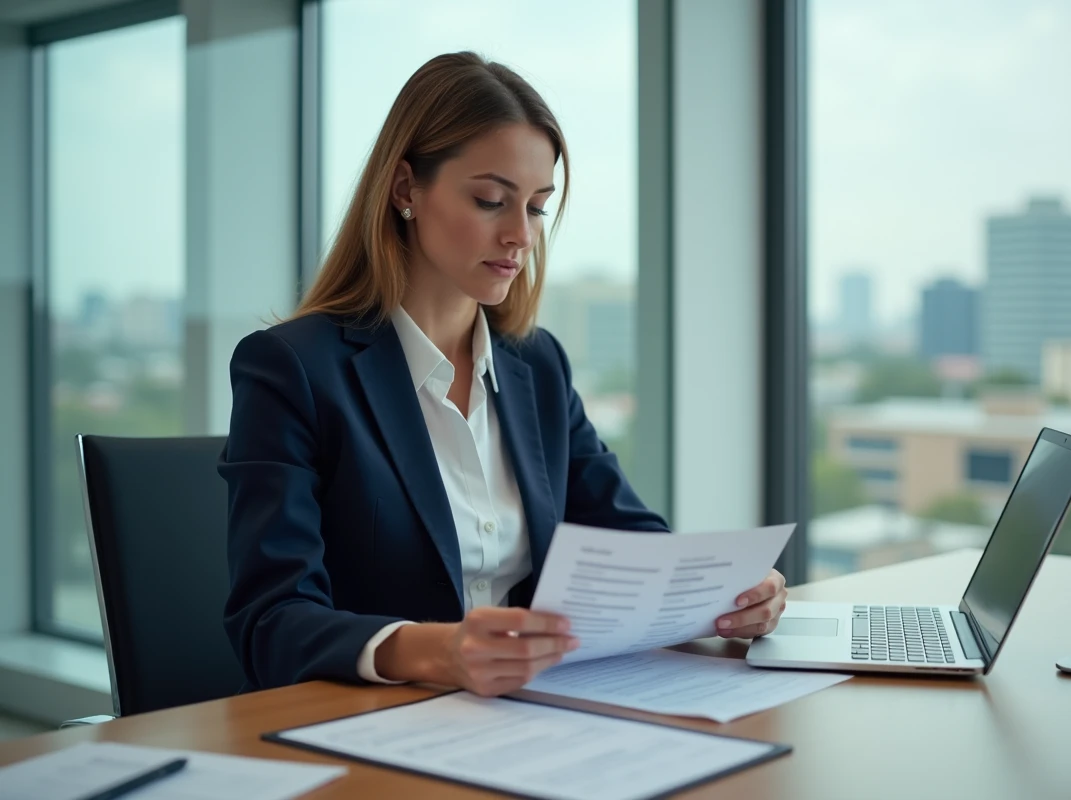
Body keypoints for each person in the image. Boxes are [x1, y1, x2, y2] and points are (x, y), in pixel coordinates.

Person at [220, 51, 787, 697]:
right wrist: (437, 650)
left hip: (535, 712)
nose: (521, 234)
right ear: (405, 190)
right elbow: (270, 621)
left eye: (538, 207)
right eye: (491, 200)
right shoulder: (292, 369)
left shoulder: (536, 365)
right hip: (376, 721)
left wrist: (728, 594)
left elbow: (629, 539)